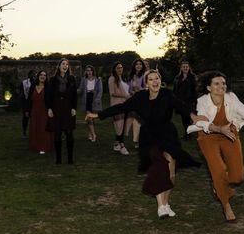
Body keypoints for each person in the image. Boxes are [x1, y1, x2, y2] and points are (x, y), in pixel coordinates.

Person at [87, 70, 203, 219]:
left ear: (160, 80)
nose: (155, 82)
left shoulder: (167, 94)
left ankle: (166, 203)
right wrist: (98, 115)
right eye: (151, 79)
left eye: (157, 79)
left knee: (171, 172)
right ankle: (160, 206)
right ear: (146, 83)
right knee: (159, 166)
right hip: (149, 137)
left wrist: (194, 116)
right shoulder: (140, 97)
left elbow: (181, 105)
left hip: (167, 135)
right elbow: (121, 108)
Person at [189, 71, 244, 222]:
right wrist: (218, 129)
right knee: (218, 170)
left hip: (229, 134)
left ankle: (220, 187)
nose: (222, 86)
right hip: (208, 136)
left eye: (223, 83)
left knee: (237, 177)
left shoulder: (231, 97)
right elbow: (202, 122)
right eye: (217, 83)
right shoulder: (202, 101)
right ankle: (226, 205)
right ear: (209, 88)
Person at [46, 58, 78, 164]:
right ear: (59, 66)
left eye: (67, 65)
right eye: (63, 64)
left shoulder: (72, 79)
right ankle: (58, 158)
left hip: (68, 107)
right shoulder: (53, 80)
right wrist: (49, 108)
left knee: (69, 133)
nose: (65, 66)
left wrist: (74, 108)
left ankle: (70, 158)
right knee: (57, 133)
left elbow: (74, 96)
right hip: (56, 107)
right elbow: (48, 96)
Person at [27, 70, 54, 154]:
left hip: (44, 111)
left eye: (44, 75)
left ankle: (43, 147)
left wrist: (50, 109)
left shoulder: (48, 87)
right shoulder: (33, 86)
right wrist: (27, 110)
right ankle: (35, 145)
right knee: (35, 128)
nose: (43, 76)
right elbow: (29, 99)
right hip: (34, 111)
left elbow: (51, 100)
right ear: (38, 76)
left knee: (43, 128)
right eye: (41, 75)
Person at [108, 62, 131, 155]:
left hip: (125, 104)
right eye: (118, 68)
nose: (120, 69)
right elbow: (112, 93)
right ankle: (122, 145)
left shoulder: (123, 78)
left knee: (122, 125)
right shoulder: (112, 78)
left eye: (121, 68)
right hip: (117, 104)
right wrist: (125, 95)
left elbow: (126, 90)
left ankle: (116, 144)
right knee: (119, 125)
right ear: (114, 69)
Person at [77, 65, 103, 142]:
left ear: (93, 71)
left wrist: (97, 99)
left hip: (94, 99)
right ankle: (94, 134)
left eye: (90, 70)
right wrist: (72, 90)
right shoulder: (84, 79)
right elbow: (80, 90)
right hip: (86, 98)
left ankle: (90, 133)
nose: (89, 72)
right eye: (87, 70)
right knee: (89, 117)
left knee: (91, 119)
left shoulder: (98, 80)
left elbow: (100, 91)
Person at [173, 59, 197, 139]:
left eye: (187, 66)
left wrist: (195, 101)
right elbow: (175, 89)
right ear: (181, 68)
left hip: (189, 101)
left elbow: (195, 90)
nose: (185, 68)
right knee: (184, 119)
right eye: (183, 67)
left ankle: (188, 134)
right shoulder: (177, 77)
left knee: (188, 118)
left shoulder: (193, 77)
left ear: (189, 67)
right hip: (180, 101)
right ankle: (187, 133)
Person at [126, 58, 146, 148]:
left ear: (142, 66)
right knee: (136, 121)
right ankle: (136, 140)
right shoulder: (131, 76)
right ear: (134, 66)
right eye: (137, 64)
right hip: (134, 100)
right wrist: (132, 92)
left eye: (140, 64)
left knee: (144, 120)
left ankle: (145, 139)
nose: (138, 65)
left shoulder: (145, 76)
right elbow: (129, 89)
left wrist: (139, 89)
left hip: (144, 100)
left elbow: (147, 88)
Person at [20, 70, 36, 137]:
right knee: (25, 117)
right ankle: (24, 131)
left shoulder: (37, 82)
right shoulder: (24, 83)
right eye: (31, 74)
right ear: (28, 75)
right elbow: (22, 92)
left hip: (35, 102)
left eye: (34, 74)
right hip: (26, 102)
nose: (33, 76)